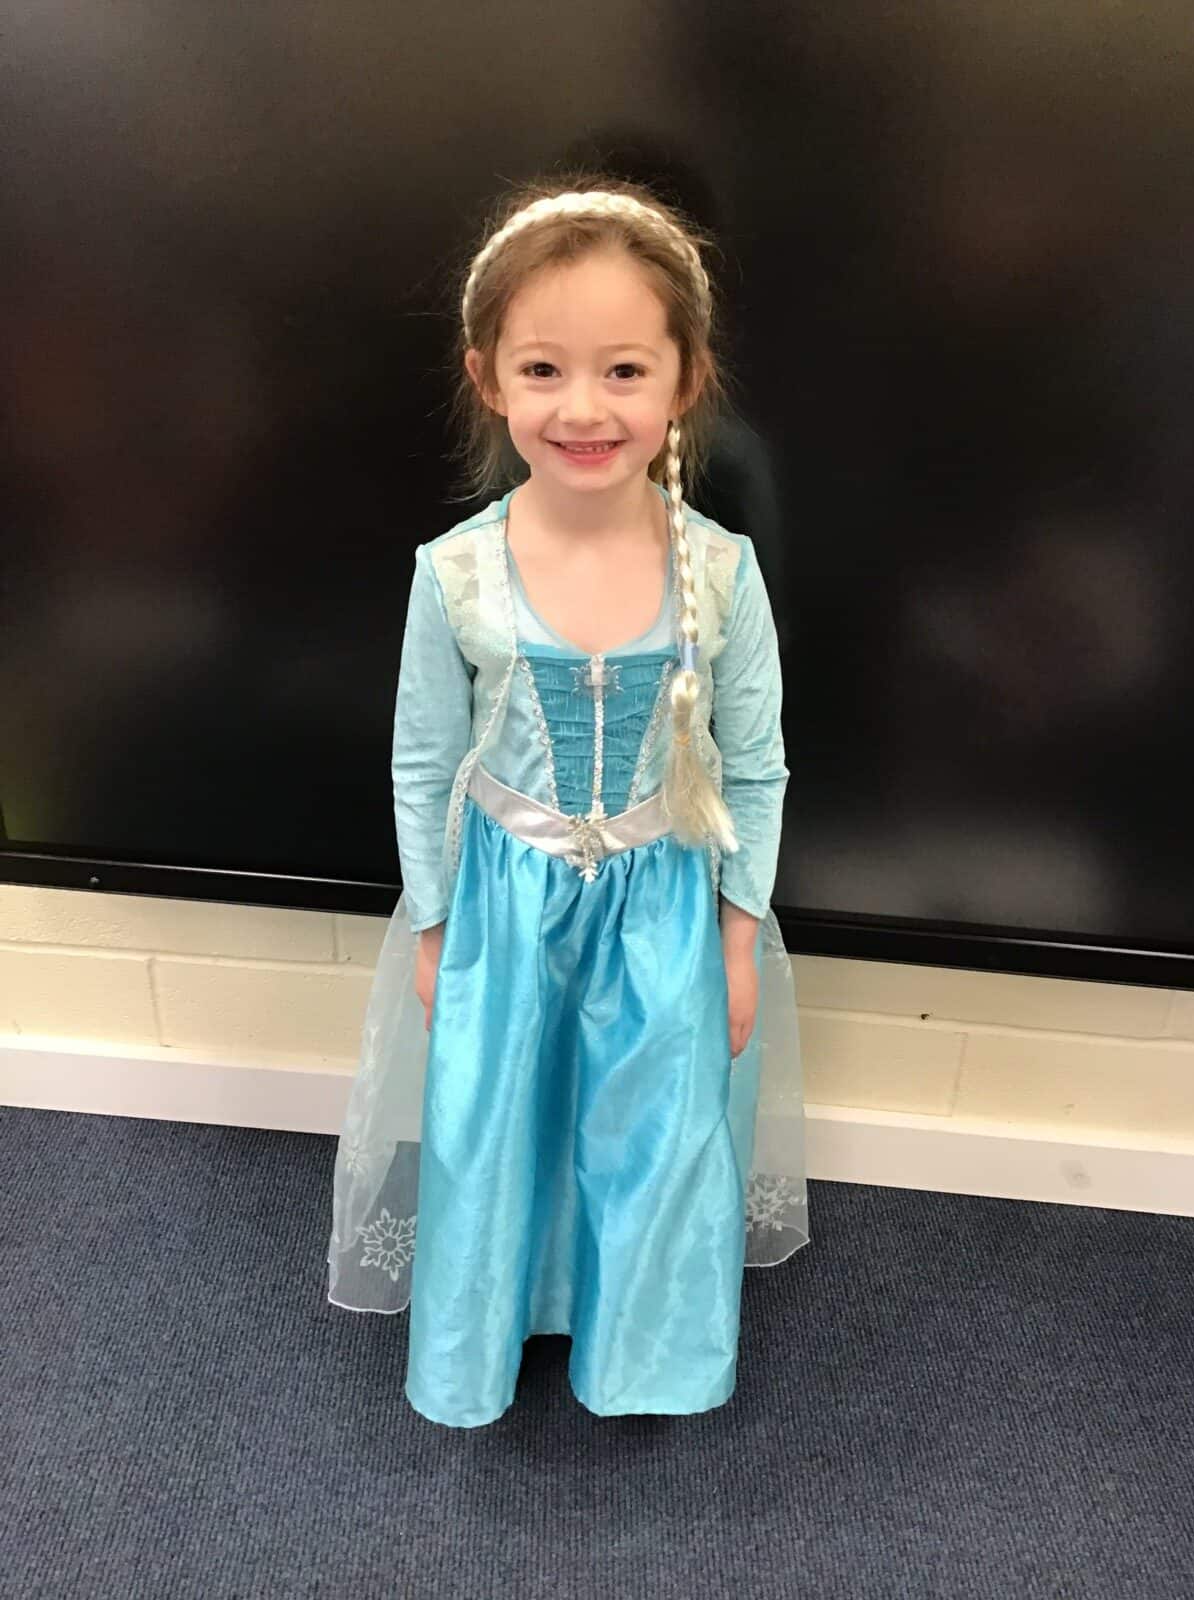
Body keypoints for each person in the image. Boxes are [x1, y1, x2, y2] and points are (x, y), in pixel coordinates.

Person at [326, 174, 809, 1428]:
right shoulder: (457, 573)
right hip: (505, 909)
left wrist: (736, 935)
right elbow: (424, 762)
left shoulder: (721, 571)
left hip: (663, 914)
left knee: (653, 1129)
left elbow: (755, 765)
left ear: (684, 380)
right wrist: (434, 925)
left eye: (624, 371)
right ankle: (493, 1330)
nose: (583, 408)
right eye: (543, 369)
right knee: (499, 1123)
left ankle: (641, 1354)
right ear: (487, 378)